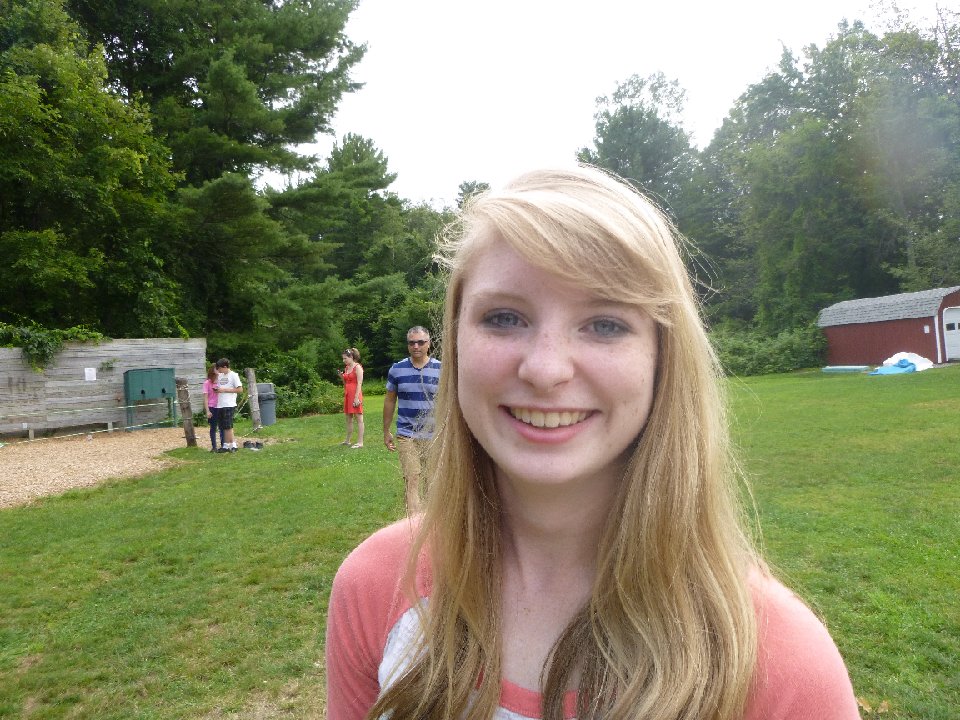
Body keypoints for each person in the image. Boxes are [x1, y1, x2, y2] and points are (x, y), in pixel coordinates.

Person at [326, 166, 860, 720]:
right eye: (504, 317)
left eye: (605, 324)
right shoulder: (376, 587)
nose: (545, 370)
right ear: (456, 341)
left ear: (663, 358)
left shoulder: (780, 663)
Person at [382, 326, 441, 513]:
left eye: (420, 342)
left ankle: (431, 520)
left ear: (428, 344)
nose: (416, 346)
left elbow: (449, 401)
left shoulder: (441, 369)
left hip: (434, 435)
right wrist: (386, 431)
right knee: (412, 478)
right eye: (412, 343)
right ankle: (414, 524)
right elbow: (390, 400)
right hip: (407, 434)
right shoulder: (397, 369)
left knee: (431, 480)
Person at [214, 358, 243, 453]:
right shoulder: (220, 376)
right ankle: (226, 445)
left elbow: (240, 389)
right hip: (220, 404)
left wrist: (224, 390)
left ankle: (233, 445)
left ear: (225, 367)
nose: (219, 370)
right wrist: (217, 389)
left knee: (228, 425)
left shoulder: (234, 375)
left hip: (229, 403)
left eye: (219, 368)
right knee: (223, 426)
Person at [338, 348, 365, 448]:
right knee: (348, 418)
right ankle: (347, 440)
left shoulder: (358, 367)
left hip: (355, 395)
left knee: (359, 418)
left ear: (351, 357)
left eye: (345, 358)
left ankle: (360, 442)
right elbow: (345, 383)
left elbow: (359, 383)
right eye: (343, 358)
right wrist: (341, 376)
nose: (343, 360)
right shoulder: (346, 368)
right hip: (348, 395)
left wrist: (356, 398)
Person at [202, 364, 224, 452]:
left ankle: (223, 445)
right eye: (217, 368)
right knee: (213, 427)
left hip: (221, 406)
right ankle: (214, 447)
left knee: (222, 427)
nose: (219, 370)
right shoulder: (207, 383)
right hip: (212, 407)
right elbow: (205, 398)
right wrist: (207, 411)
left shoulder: (221, 381)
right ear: (212, 370)